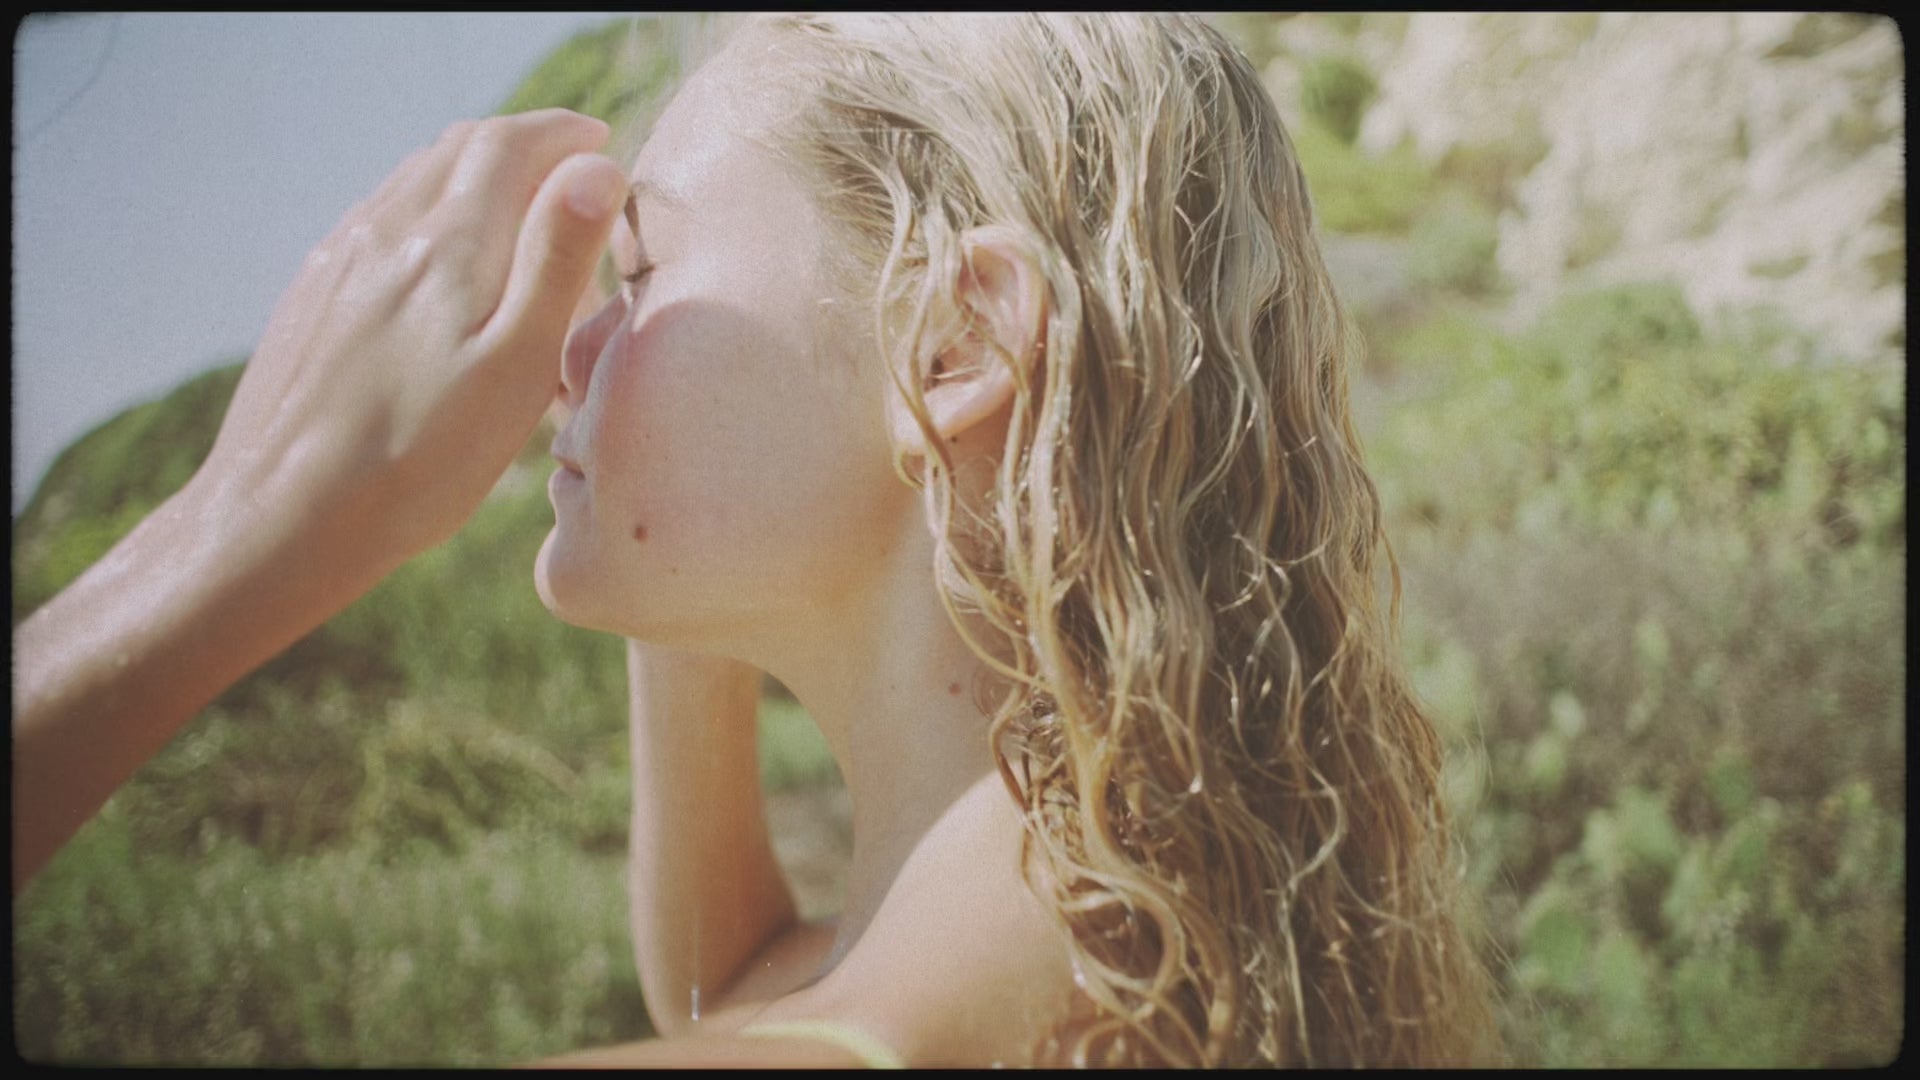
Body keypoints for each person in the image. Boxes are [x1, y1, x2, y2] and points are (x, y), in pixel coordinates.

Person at [13, 13, 1501, 1068]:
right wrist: (666, 547)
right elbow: (722, 983)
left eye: (637, 272)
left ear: (955, 345)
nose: (567, 355)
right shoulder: (1161, 949)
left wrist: (231, 525)